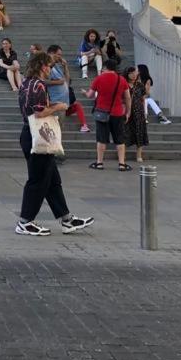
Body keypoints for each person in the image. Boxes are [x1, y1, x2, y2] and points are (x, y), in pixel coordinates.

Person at [15, 52, 93, 236]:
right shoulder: (39, 85)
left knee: (52, 180)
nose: (51, 69)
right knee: (38, 181)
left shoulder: (27, 83)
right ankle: (25, 221)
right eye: (49, 66)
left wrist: (53, 103)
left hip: (30, 134)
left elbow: (34, 107)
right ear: (43, 66)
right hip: (38, 135)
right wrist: (58, 107)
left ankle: (66, 218)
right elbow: (39, 113)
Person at [84, 58, 132, 171]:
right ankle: (122, 164)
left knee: (101, 138)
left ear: (105, 67)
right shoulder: (122, 80)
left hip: (102, 113)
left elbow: (90, 95)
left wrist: (85, 93)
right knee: (119, 139)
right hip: (118, 113)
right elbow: (127, 97)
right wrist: (128, 111)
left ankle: (99, 163)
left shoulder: (99, 78)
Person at [46, 45, 90, 133]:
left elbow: (67, 80)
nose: (60, 57)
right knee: (55, 131)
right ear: (51, 53)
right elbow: (41, 81)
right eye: (58, 54)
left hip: (63, 103)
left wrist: (65, 66)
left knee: (59, 130)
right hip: (55, 103)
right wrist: (56, 82)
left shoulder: (56, 66)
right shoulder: (45, 66)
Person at [123, 66, 149, 162]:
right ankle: (123, 154)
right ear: (127, 74)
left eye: (135, 73)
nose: (134, 75)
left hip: (138, 112)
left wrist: (144, 112)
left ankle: (139, 155)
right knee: (125, 132)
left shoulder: (140, 85)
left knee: (139, 132)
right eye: (131, 73)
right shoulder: (123, 84)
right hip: (126, 111)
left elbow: (143, 99)